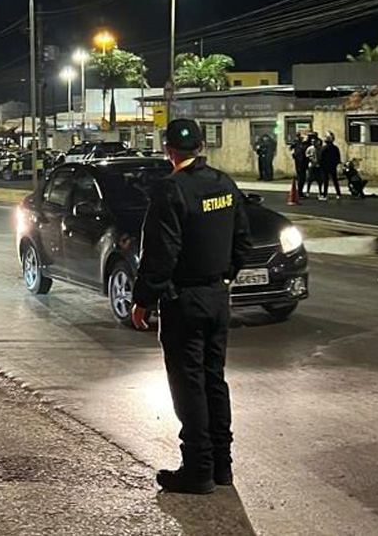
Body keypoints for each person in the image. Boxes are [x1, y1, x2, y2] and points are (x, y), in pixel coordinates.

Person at [131, 119, 252, 495]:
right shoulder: (224, 183)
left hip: (184, 300)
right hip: (217, 297)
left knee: (189, 384)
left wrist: (144, 299)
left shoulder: (170, 190)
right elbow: (243, 240)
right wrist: (224, 276)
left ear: (168, 150)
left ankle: (197, 469)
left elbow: (161, 253)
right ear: (201, 146)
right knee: (214, 379)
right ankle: (221, 467)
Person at [321, 132, 342, 199]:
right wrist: (336, 163)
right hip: (333, 166)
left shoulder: (324, 148)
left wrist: (321, 165)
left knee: (325, 181)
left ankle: (325, 195)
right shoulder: (335, 148)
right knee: (335, 180)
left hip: (325, 167)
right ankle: (338, 194)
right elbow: (338, 158)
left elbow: (321, 158)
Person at [305, 134, 325, 200]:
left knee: (319, 180)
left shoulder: (320, 148)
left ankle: (320, 192)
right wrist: (310, 158)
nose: (313, 143)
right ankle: (307, 191)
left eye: (314, 141)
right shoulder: (310, 148)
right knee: (309, 179)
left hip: (318, 166)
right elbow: (306, 155)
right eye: (312, 141)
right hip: (311, 165)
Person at [290, 133, 309, 198]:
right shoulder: (302, 145)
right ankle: (299, 193)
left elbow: (292, 151)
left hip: (299, 163)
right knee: (302, 178)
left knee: (301, 178)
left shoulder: (296, 144)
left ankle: (299, 192)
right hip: (301, 163)